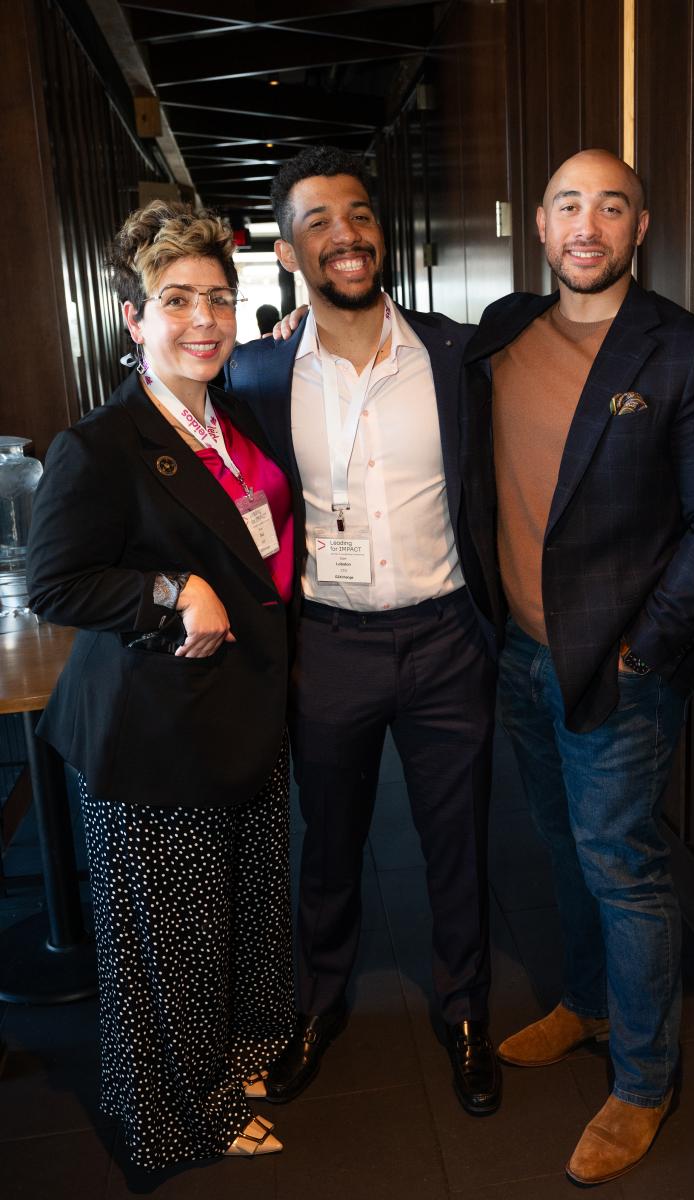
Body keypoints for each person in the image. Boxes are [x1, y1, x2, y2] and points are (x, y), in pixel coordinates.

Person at [462, 150, 694, 1184]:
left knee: (623, 866)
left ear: (640, 227)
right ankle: (587, 1003)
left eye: (610, 206)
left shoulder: (692, 353)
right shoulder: (503, 332)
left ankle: (642, 1082)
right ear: (540, 227)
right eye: (567, 205)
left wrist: (648, 643)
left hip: (622, 666)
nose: (585, 225)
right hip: (518, 652)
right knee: (561, 843)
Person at [27, 201, 301, 1169]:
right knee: (173, 941)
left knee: (244, 908)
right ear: (134, 319)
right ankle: (187, 1110)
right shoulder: (100, 444)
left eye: (218, 299)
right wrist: (169, 588)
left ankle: (243, 1053)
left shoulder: (232, 418)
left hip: (241, 707)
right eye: (176, 300)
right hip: (155, 730)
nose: (203, 320)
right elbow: (57, 583)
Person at [226, 147, 501, 1115]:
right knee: (330, 841)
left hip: (447, 638)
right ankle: (318, 1003)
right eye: (317, 222)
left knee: (458, 841)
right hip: (329, 644)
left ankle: (465, 1012)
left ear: (380, 231)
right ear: (288, 252)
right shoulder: (255, 374)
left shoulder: (457, 353)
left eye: (358, 214)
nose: (344, 235)